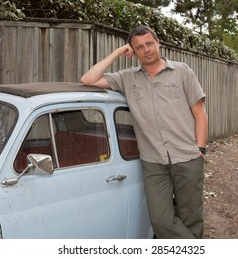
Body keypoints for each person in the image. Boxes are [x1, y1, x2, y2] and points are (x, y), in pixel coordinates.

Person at [80, 25, 208, 239]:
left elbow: (200, 113)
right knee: (159, 219)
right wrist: (117, 52)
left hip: (187, 157)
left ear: (158, 43)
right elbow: (88, 79)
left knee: (191, 217)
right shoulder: (126, 78)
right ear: (134, 52)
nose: (146, 49)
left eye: (150, 44)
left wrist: (200, 149)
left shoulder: (182, 71)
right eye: (139, 47)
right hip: (153, 162)